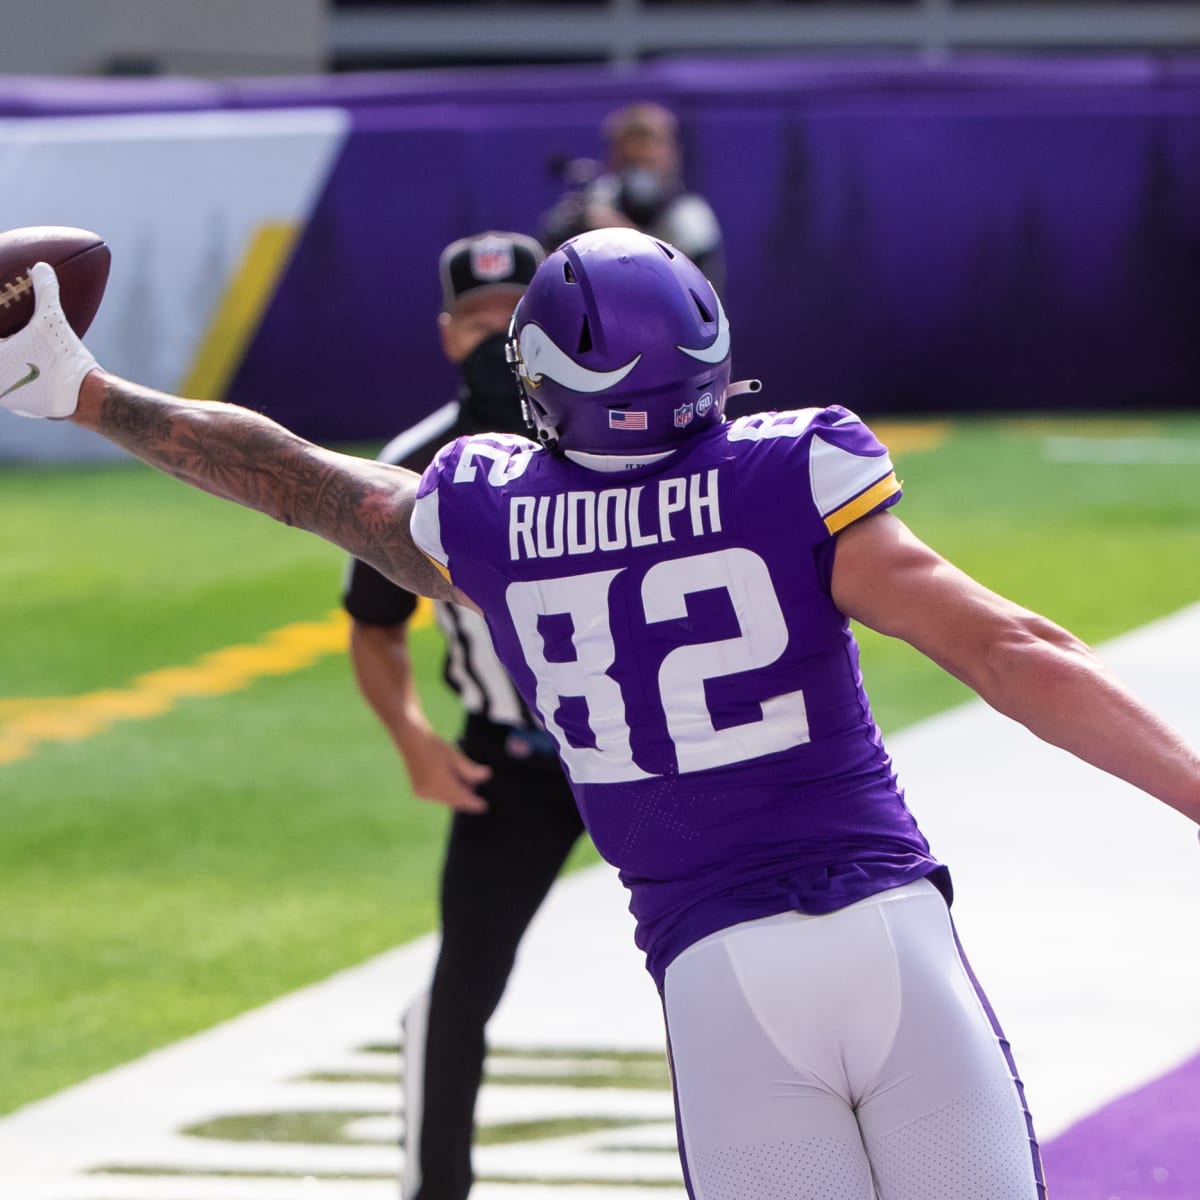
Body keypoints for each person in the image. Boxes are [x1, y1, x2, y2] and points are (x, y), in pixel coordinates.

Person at [6, 231, 1200, 1200]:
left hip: (716, 974)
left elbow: (297, 478)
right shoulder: (796, 470)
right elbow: (1011, 650)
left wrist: (87, 392)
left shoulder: (493, 512)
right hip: (891, 936)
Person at [341, 231, 583, 1200]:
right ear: (446, 336)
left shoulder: (618, 434)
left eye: (510, 319)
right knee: (463, 986)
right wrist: (412, 739)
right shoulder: (411, 469)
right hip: (511, 760)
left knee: (726, 956)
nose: (493, 339)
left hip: (649, 749)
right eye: (475, 321)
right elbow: (374, 627)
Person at [539, 100, 725, 289]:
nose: (640, 179)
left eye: (648, 162)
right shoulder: (593, 202)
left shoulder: (688, 215)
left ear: (672, 155)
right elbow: (544, 274)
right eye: (631, 162)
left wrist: (627, 238)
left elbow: (698, 292)